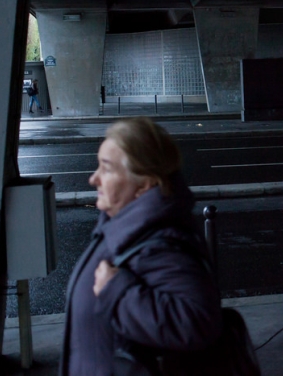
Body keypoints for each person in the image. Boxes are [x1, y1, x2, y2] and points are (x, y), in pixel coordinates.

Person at [60, 117, 223, 376]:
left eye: (107, 169)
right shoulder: (123, 226)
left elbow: (199, 322)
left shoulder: (161, 241)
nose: (93, 179)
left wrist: (117, 291)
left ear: (144, 184)